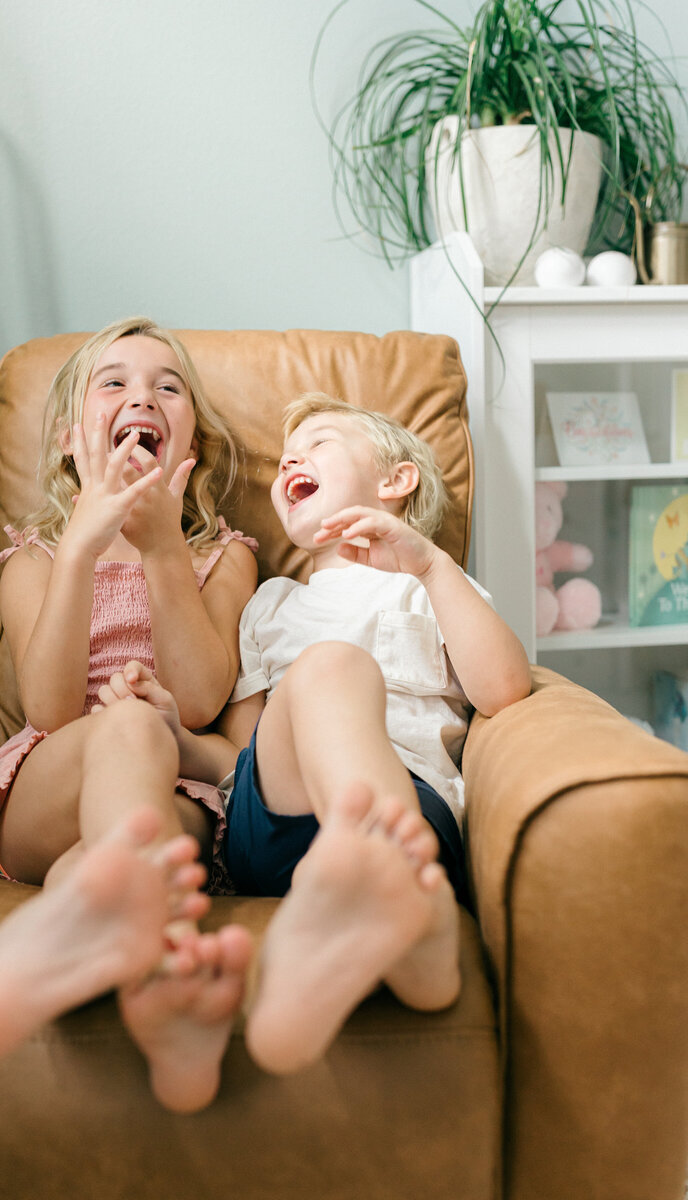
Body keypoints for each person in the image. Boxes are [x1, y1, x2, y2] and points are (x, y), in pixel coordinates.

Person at [95, 391, 532, 1084]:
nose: (293, 457)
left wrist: (432, 566)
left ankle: (387, 912)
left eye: (321, 441)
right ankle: (405, 905)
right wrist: (176, 734)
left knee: (332, 668)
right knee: (329, 667)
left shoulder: (435, 588)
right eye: (285, 457)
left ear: (395, 481)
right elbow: (244, 757)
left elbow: (505, 689)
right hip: (275, 826)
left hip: (416, 809)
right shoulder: (272, 605)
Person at [0, 318, 258, 1111]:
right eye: (112, 382)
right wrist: (84, 541)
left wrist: (161, 552)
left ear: (196, 449)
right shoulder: (35, 558)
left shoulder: (225, 556)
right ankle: (153, 960)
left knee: (118, 850)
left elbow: (201, 701)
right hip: (49, 780)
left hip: (173, 789)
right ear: (66, 442)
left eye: (167, 386)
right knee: (122, 726)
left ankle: (99, 945)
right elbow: (46, 709)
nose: (141, 396)